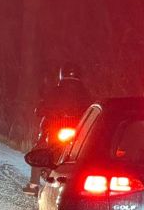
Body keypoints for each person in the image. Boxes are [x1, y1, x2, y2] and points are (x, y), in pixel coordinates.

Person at [23, 62, 92, 194]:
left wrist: (41, 110)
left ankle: (33, 184)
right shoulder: (86, 94)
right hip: (77, 132)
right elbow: (90, 111)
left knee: (39, 150)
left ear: (62, 74)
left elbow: (41, 108)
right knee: (83, 154)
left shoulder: (55, 91)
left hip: (56, 129)